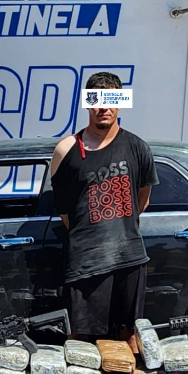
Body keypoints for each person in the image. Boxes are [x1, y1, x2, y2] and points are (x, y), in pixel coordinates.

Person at [50, 72, 158, 347]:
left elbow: (142, 200)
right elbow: (65, 211)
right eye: (96, 100)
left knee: (129, 339)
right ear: (87, 104)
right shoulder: (66, 150)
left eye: (111, 100)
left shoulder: (138, 147)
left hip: (128, 258)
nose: (103, 107)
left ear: (120, 103)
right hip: (85, 262)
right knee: (79, 342)